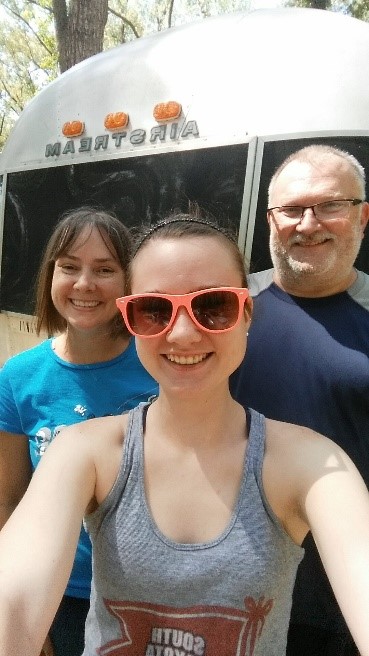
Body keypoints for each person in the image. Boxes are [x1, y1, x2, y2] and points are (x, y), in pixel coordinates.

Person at [1, 215, 369, 656]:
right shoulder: (83, 451)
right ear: (130, 318)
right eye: (154, 310)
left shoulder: (311, 464)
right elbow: (15, 599)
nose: (182, 332)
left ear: (246, 313)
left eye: (213, 306)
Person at [230, 144, 369, 656]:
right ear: (271, 219)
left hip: (350, 585)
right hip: (239, 584)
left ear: (362, 216)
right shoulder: (225, 311)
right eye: (291, 210)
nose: (308, 224)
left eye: (330, 205)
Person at [0, 207, 158, 656]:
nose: (84, 284)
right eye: (69, 267)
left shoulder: (157, 366)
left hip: (146, 591)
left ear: (129, 282)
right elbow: (8, 498)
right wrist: (20, 607)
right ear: (50, 276)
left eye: (105, 269)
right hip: (60, 595)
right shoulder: (18, 376)